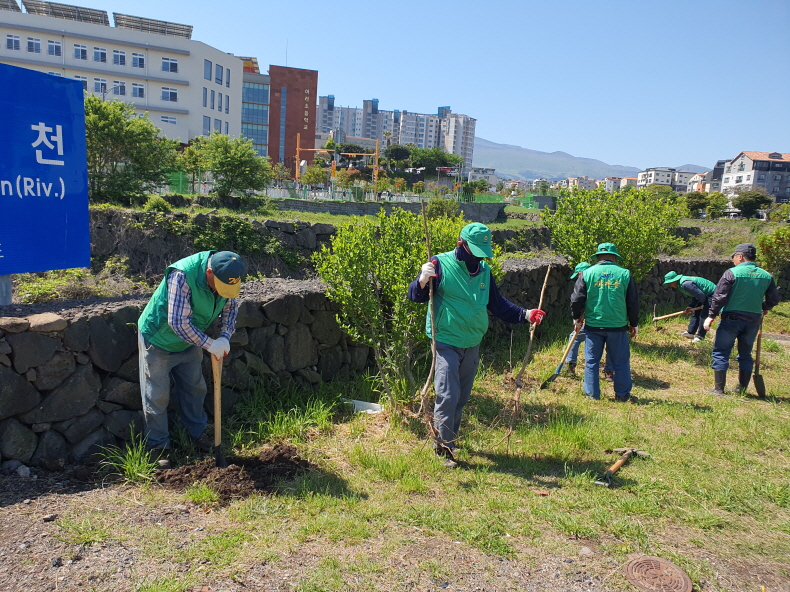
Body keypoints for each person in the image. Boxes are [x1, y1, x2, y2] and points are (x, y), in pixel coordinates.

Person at [408, 223, 546, 467]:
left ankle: (450, 437)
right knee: (448, 394)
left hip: (472, 341)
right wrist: (422, 279)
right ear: (462, 243)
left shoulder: (483, 271)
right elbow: (416, 297)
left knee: (461, 396)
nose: (480, 257)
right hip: (445, 339)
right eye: (476, 251)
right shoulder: (440, 264)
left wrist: (526, 314)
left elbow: (497, 304)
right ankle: (442, 448)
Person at [137, 250, 245, 468]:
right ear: (209, 272)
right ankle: (158, 447)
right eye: (217, 285)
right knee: (156, 396)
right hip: (159, 339)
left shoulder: (228, 276)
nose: (219, 291)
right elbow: (178, 323)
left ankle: (195, 433)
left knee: (195, 388)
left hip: (192, 339)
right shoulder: (182, 275)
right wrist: (210, 344)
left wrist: (224, 336)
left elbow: (230, 308)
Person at [702, 243, 779, 395]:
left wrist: (711, 316)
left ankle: (719, 389)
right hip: (753, 321)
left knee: (721, 352)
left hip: (731, 319)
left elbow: (719, 297)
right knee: (745, 354)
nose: (733, 261)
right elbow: (774, 299)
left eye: (734, 257)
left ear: (740, 256)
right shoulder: (766, 276)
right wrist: (764, 306)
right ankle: (742, 389)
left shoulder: (732, 273)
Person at [570, 242, 639, 402]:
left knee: (592, 361)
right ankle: (622, 395)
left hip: (594, 325)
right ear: (614, 257)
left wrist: (576, 317)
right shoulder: (625, 274)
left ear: (597, 256)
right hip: (618, 326)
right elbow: (633, 303)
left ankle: (592, 395)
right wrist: (633, 323)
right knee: (620, 362)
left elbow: (576, 299)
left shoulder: (587, 273)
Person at [565, 262, 613, 378]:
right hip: (609, 319)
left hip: (592, 320)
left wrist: (577, 318)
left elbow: (578, 300)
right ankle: (610, 371)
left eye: (578, 275)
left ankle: (571, 364)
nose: (577, 278)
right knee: (611, 343)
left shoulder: (586, 280)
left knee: (575, 337)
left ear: (581, 273)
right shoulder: (601, 280)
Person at [662, 271, 716, 343]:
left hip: (713, 295)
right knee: (696, 312)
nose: (669, 285)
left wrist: (704, 304)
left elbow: (700, 295)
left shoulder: (686, 284)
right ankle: (690, 333)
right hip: (704, 295)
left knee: (703, 315)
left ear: (674, 280)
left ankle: (700, 337)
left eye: (669, 283)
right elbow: (695, 295)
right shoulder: (682, 284)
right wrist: (691, 306)